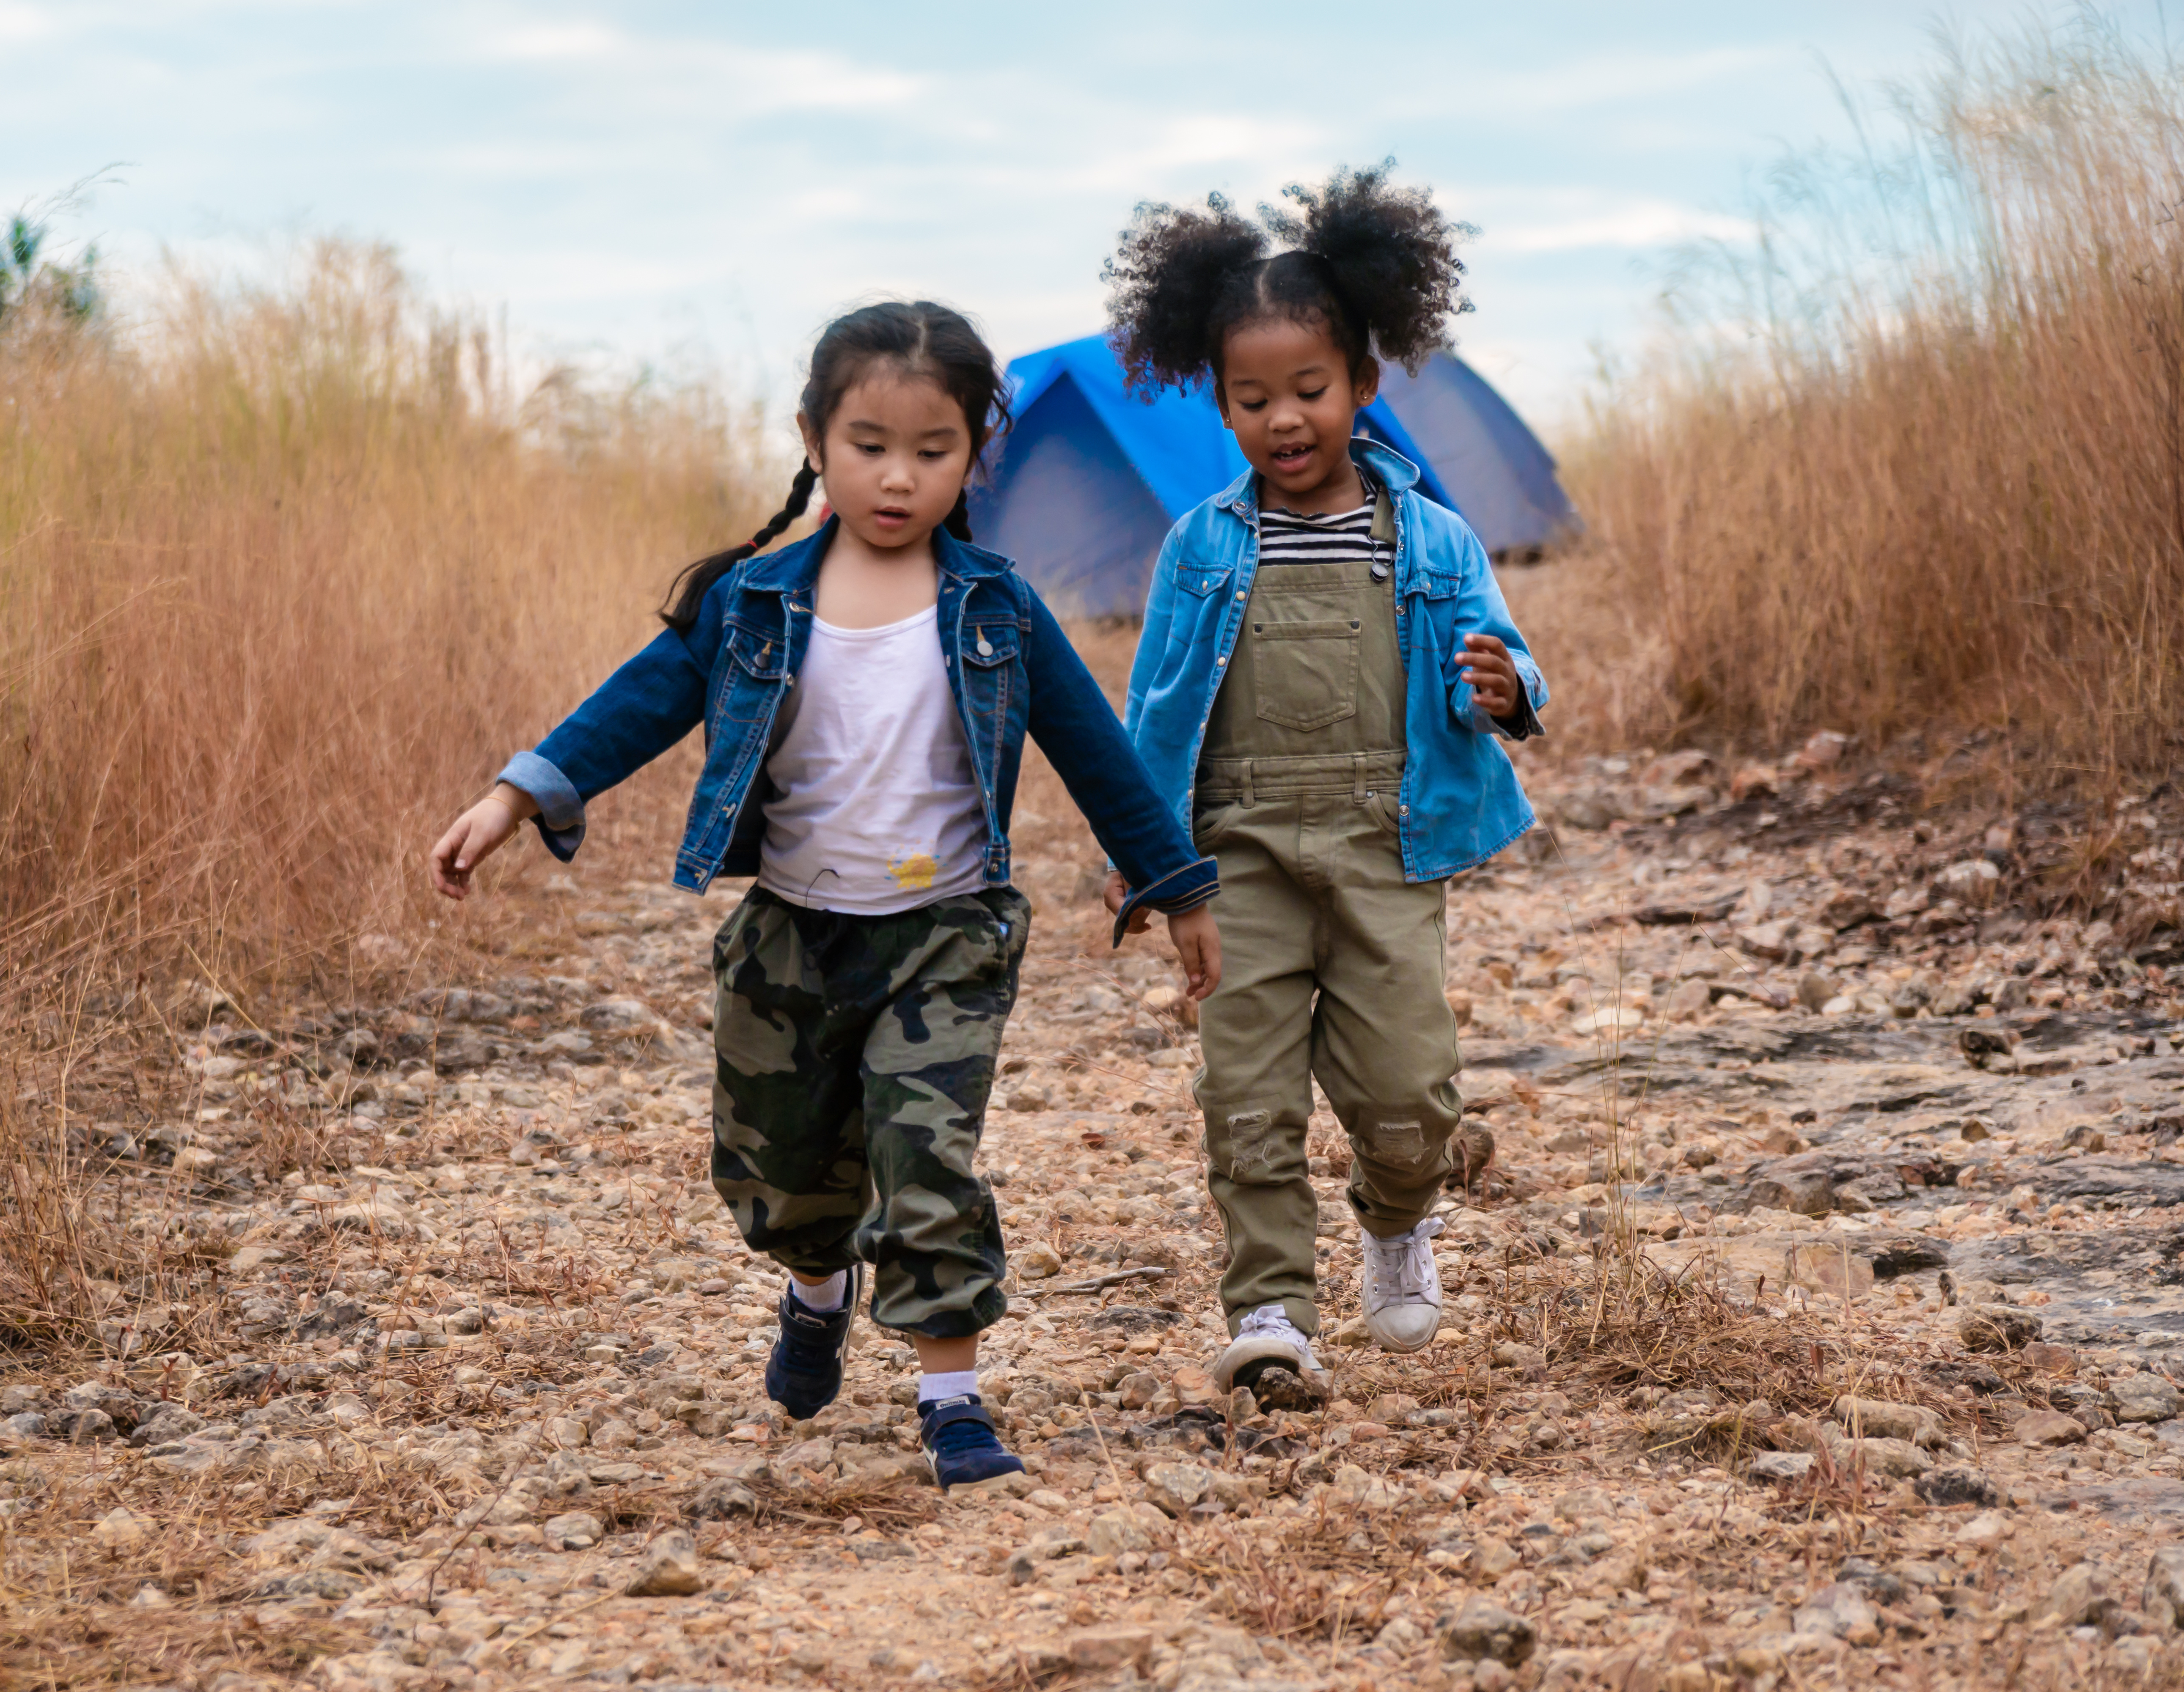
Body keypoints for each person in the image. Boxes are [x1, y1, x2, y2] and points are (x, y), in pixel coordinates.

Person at [430, 301, 1224, 1487]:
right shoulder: (755, 602)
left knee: (926, 1159)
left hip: (947, 937)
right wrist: (516, 795)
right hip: (791, 937)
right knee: (782, 1174)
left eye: (932, 451)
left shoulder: (996, 607)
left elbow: (1095, 748)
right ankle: (817, 1288)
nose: (899, 478)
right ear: (813, 438)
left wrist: (1177, 887)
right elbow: (637, 703)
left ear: (974, 456)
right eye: (869, 445)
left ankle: (951, 1398)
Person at [1098, 168, 1549, 1410]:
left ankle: (1396, 1220)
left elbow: (1504, 654)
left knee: (1408, 1095)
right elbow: (1154, 709)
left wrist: (1506, 687)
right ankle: (1271, 1311)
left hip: (1385, 843)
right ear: (1220, 404)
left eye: (1310, 390)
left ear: (1362, 381)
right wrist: (1146, 859)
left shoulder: (1430, 539)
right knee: (1243, 1094)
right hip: (1235, 851)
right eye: (1253, 399)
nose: (1285, 418)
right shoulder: (1202, 545)